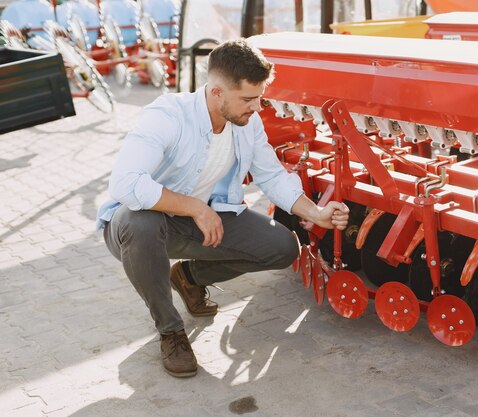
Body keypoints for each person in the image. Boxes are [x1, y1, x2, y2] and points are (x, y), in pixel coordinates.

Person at [96, 39, 349, 378]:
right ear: (216, 92)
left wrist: (315, 212)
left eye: (260, 97)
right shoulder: (166, 115)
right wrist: (194, 208)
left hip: (202, 220)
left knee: (283, 246)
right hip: (143, 227)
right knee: (138, 222)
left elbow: (272, 175)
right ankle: (170, 331)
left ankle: (188, 276)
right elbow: (125, 184)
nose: (257, 107)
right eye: (248, 99)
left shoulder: (247, 122)